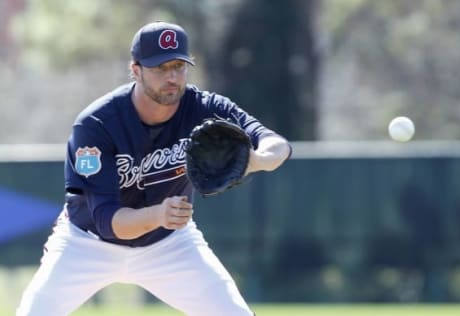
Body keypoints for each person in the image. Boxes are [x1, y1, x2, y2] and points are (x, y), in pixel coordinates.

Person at [16, 21, 291, 316]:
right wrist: (158, 214)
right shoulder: (96, 125)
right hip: (86, 242)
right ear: (136, 70)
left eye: (179, 66)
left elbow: (277, 145)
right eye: (160, 67)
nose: (172, 76)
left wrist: (258, 159)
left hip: (169, 244)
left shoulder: (204, 106)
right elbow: (108, 221)